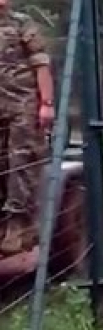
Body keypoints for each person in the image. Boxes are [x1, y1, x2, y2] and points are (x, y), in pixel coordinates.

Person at [0, 0, 55, 255]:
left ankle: (18, 224)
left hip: (22, 104)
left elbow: (41, 65)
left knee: (21, 161)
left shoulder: (22, 23)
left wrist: (46, 103)